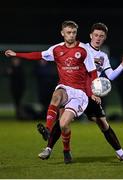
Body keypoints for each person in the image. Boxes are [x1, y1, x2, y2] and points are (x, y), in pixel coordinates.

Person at [37, 22, 123, 165]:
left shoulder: (103, 56)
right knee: (62, 121)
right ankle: (48, 149)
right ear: (90, 35)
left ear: (104, 38)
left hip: (90, 96)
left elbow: (111, 76)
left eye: (101, 36)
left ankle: (121, 154)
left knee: (103, 124)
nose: (98, 38)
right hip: (74, 91)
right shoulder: (80, 48)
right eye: (96, 35)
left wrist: (122, 65)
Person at [4, 20, 100, 163]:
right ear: (62, 33)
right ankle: (47, 129)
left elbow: (93, 73)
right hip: (64, 88)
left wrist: (95, 92)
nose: (71, 35)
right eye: (68, 32)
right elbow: (37, 55)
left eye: (74, 32)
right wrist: (16, 54)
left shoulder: (84, 50)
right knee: (56, 95)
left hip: (79, 94)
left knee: (63, 125)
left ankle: (66, 150)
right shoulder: (56, 49)